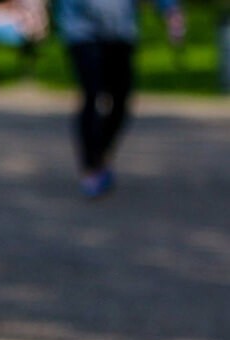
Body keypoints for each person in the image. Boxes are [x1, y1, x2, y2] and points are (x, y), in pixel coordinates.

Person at [56, 0, 185, 198]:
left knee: (121, 99)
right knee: (92, 93)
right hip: (81, 28)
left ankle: (101, 155)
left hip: (120, 29)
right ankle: (91, 167)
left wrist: (171, 11)